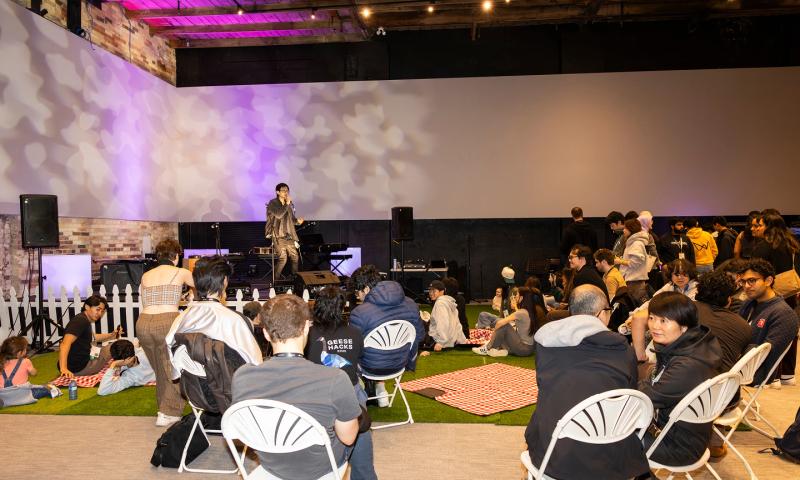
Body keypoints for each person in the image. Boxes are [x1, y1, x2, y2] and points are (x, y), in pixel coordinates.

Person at [232, 294, 363, 479]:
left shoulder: (242, 377)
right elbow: (348, 438)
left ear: (266, 333)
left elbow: (244, 432)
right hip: (321, 469)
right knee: (357, 421)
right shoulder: (335, 378)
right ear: (306, 329)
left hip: (271, 465)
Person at [525, 285, 648, 480]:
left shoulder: (546, 343)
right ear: (601, 314)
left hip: (557, 456)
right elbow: (630, 394)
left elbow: (546, 388)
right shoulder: (622, 348)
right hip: (614, 453)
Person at [639, 292, 722, 467]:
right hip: (677, 433)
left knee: (605, 437)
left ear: (684, 327)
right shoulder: (692, 345)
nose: (655, 326)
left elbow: (647, 396)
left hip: (676, 446)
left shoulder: (687, 365)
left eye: (664, 321)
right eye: (652, 318)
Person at [305, 286, 377, 480]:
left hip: (316, 394)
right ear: (343, 306)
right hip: (349, 390)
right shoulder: (355, 333)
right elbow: (359, 359)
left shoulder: (308, 335)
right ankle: (365, 475)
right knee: (360, 428)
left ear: (317, 306)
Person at [166, 256, 263, 370]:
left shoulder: (182, 317)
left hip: (193, 384)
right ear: (224, 281)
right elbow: (255, 361)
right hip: (228, 383)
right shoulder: (234, 320)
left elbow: (170, 345)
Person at [137, 238, 194, 427]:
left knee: (160, 369)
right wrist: (192, 295)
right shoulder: (181, 271)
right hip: (167, 320)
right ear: (176, 256)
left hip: (143, 323)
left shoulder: (146, 275)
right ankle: (169, 412)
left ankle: (163, 408)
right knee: (173, 366)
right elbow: (202, 286)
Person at [348, 265, 425, 406]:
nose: (357, 297)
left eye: (357, 293)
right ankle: (380, 388)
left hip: (370, 367)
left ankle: (359, 395)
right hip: (400, 364)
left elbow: (352, 348)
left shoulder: (360, 313)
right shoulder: (411, 304)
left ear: (366, 289)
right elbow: (420, 336)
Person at [622, 259, 699, 362]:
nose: (680, 277)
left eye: (684, 274)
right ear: (671, 276)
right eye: (676, 274)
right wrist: (633, 316)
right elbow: (651, 302)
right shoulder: (669, 286)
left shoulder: (697, 289)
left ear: (690, 275)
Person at [739, 258, 800, 386]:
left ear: (768, 281)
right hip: (738, 362)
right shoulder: (749, 304)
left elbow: (767, 354)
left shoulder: (784, 314)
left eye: (752, 281)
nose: (746, 286)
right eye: (743, 282)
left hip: (752, 372)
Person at [58, 295, 119, 377]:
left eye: (102, 311)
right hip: (80, 368)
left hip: (77, 364)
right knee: (118, 345)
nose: (100, 313)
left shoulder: (83, 318)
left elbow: (94, 337)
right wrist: (64, 369)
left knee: (103, 348)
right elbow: (64, 344)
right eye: (98, 309)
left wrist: (112, 335)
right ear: (87, 306)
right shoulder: (81, 321)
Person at [472, 287, 540, 357]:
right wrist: (515, 307)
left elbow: (500, 323)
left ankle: (487, 348)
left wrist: (495, 333)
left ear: (521, 298)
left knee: (504, 325)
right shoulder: (530, 311)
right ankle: (500, 350)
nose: (515, 297)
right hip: (528, 349)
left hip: (522, 349)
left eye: (517, 295)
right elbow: (520, 316)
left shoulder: (522, 312)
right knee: (503, 326)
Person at [1, 337, 60, 403]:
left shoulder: (1, 362)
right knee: (45, 389)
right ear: (19, 353)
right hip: (22, 394)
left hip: (3, 394)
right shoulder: (26, 361)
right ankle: (52, 390)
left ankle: (5, 401)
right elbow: (34, 373)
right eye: (25, 349)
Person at [265, 182, 305, 279]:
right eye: (283, 190)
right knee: (283, 258)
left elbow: (291, 220)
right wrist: (286, 204)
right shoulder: (272, 203)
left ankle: (294, 279)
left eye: (287, 190)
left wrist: (298, 221)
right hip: (278, 235)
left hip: (289, 235)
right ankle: (275, 281)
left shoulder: (288, 205)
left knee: (295, 257)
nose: (286, 192)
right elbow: (279, 215)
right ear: (278, 192)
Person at [421, 280, 467, 350]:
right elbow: (457, 323)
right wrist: (461, 339)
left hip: (438, 340)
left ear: (442, 291)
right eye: (430, 291)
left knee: (418, 323)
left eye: (434, 291)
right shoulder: (449, 302)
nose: (431, 293)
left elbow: (443, 324)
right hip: (451, 339)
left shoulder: (440, 304)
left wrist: (441, 343)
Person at [617, 218, 650, 305]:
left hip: (635, 282)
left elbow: (634, 263)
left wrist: (620, 261)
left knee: (639, 307)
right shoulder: (633, 242)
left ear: (631, 229)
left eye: (625, 228)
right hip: (633, 281)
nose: (623, 230)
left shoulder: (637, 243)